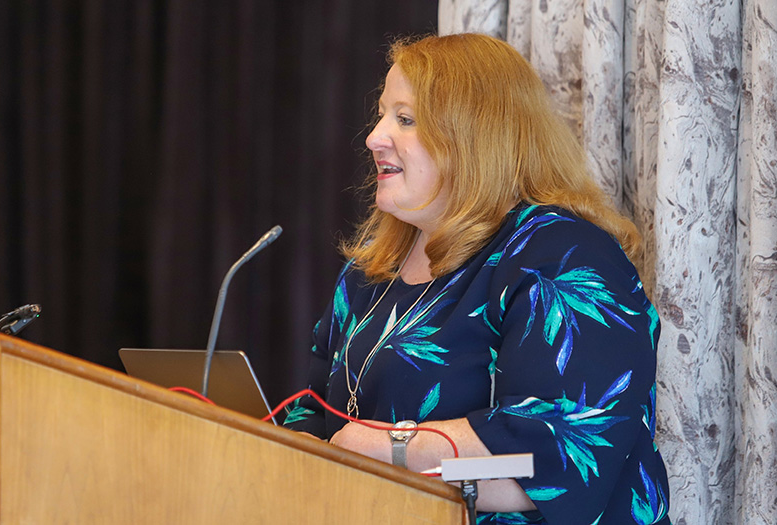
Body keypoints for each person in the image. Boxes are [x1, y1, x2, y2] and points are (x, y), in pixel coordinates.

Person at [283, 33, 670, 524]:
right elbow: (314, 414)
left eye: (404, 119)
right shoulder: (369, 271)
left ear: (473, 136)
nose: (374, 136)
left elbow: (560, 459)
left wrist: (383, 447)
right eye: (382, 115)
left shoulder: (564, 258)